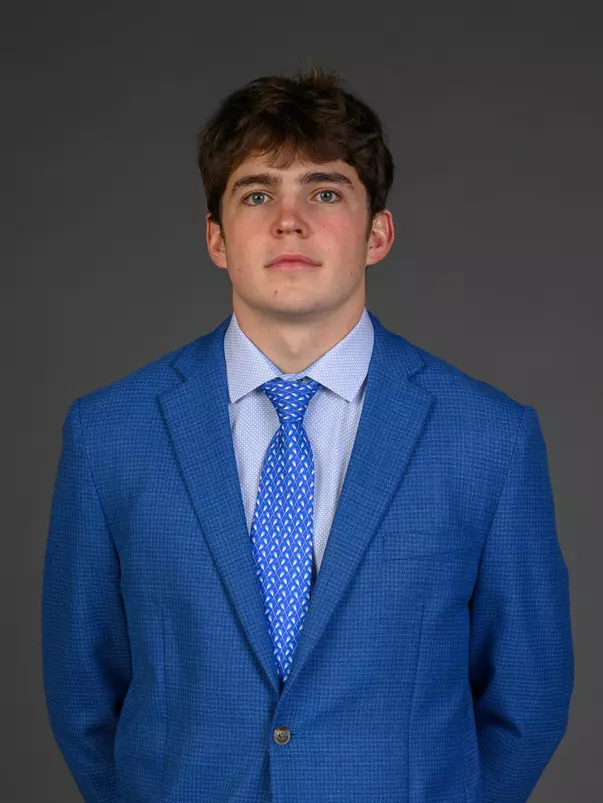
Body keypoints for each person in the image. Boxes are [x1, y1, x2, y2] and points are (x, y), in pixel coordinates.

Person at [41, 64, 574, 803]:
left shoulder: (489, 438)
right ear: (216, 238)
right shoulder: (109, 435)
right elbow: (82, 693)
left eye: (325, 191)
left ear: (377, 233)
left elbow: (530, 695)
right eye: (256, 193)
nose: (288, 220)